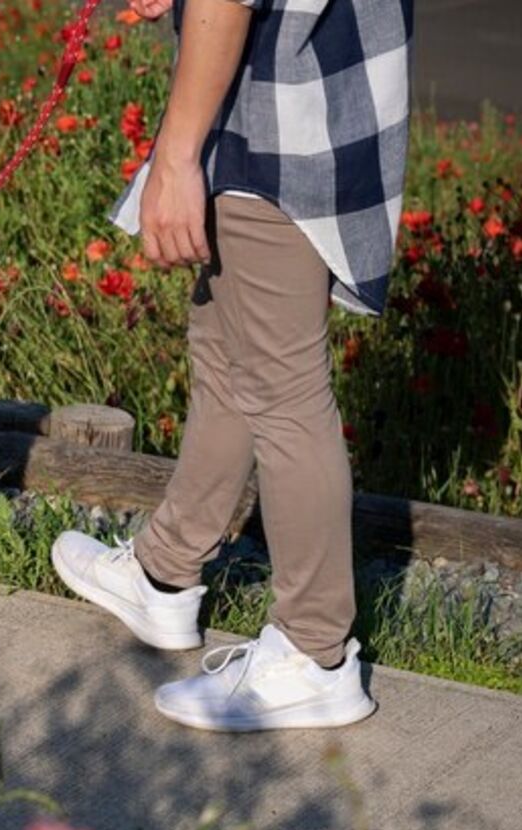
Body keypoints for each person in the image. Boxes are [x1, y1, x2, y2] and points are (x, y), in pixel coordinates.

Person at [52, 0, 413, 731]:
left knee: (282, 389)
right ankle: (164, 572)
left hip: (281, 116)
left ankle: (316, 656)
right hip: (311, 100)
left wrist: (176, 157)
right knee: (226, 348)